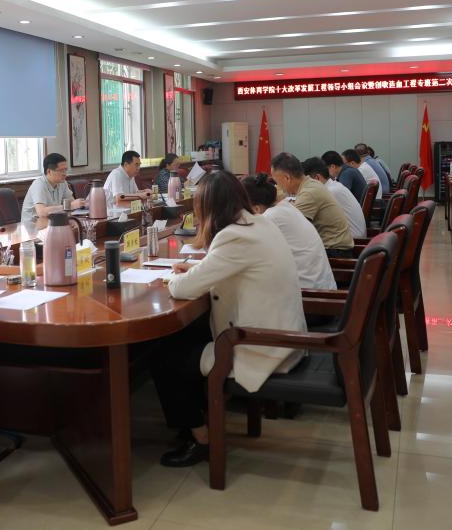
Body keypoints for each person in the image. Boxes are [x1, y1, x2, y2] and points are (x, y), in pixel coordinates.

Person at [151, 171, 307, 466]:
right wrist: (198, 272)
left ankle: (202, 439)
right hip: (283, 334)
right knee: (187, 336)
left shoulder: (233, 236)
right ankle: (196, 419)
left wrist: (175, 278)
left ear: (208, 208)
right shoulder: (258, 223)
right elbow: (227, 268)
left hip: (262, 346)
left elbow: (182, 289)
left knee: (165, 354)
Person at [241, 173, 336, 290]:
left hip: (310, 292)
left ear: (256, 208)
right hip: (321, 285)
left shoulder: (270, 217)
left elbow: (246, 253)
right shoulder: (285, 206)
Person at [270, 152, 354, 257]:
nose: (277, 186)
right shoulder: (310, 184)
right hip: (333, 248)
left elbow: (290, 225)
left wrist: (276, 201)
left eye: (277, 182)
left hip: (334, 252)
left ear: (287, 178)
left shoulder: (310, 192)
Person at [302, 157, 367, 239]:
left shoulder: (329, 192)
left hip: (352, 240)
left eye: (306, 181)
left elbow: (304, 216)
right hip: (354, 235)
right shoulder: (334, 186)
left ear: (317, 178)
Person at [21, 152, 86, 227]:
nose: (65, 174)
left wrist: (82, 204)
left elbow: (72, 202)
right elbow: (42, 212)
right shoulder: (39, 184)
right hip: (33, 228)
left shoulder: (62, 183)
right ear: (49, 171)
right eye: (61, 170)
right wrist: (69, 206)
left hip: (52, 224)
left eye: (65, 170)